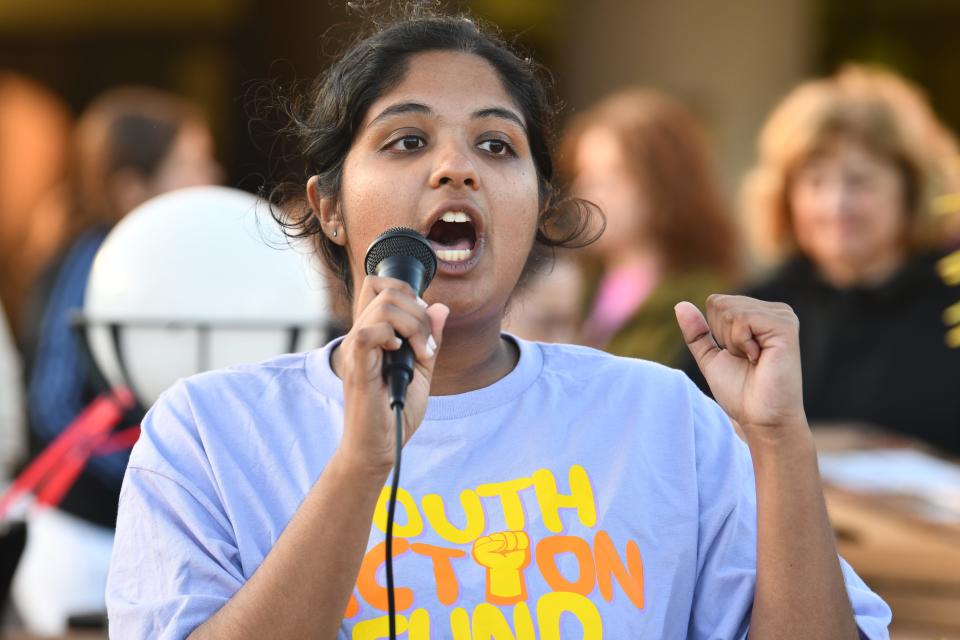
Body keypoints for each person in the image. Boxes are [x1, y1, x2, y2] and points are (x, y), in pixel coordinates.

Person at [106, 11, 891, 639]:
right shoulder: (208, 432)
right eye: (407, 140)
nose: (458, 168)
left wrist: (780, 444)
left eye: (496, 144)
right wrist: (358, 467)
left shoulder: (665, 419)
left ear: (540, 209)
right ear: (330, 208)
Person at [14, 86, 222, 635]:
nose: (212, 177)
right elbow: (53, 403)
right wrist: (153, 480)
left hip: (138, 528)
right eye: (191, 164)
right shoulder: (95, 260)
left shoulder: (161, 264)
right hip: (83, 538)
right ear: (133, 187)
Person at [686, 65, 960, 455]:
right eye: (815, 182)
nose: (836, 205)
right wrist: (820, 443)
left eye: (859, 180)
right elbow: (687, 430)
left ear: (912, 191)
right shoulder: (752, 310)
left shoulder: (952, 308)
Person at [560, 89, 740, 365]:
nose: (586, 191)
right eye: (584, 174)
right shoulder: (567, 284)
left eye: (611, 175)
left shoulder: (705, 301)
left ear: (664, 182)